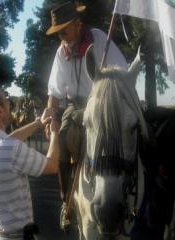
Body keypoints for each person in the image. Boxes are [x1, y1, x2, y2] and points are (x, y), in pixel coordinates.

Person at [44, 1, 128, 229]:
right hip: (75, 105)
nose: (62, 35)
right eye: (59, 31)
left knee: (130, 134)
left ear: (78, 23)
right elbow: (55, 92)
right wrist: (50, 112)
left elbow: (123, 71)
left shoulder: (100, 38)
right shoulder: (62, 52)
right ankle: (65, 201)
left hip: (100, 102)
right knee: (60, 139)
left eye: (65, 29)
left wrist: (107, 90)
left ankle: (132, 194)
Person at [0, 81, 60, 240]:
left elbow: (8, 141)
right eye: (7, 101)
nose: (10, 105)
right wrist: (54, 133)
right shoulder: (10, 150)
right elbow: (52, 165)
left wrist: (38, 123)